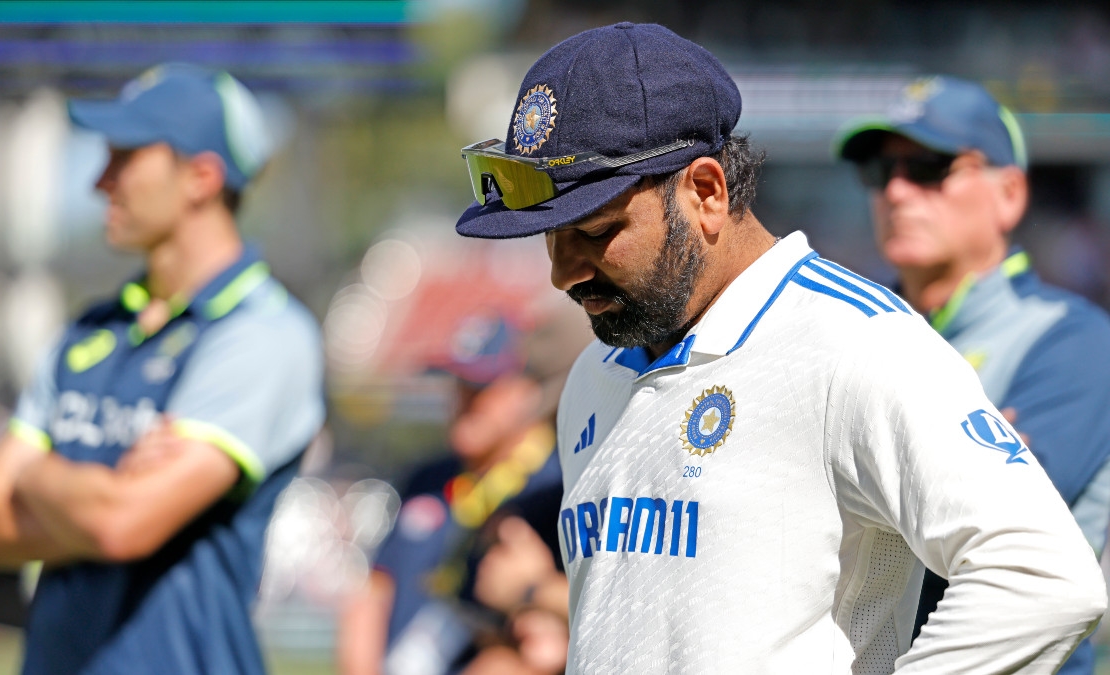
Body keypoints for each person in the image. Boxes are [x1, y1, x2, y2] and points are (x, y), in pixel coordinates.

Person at [453, 22, 1106, 673]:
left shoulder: (854, 341)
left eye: (595, 231)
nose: (564, 272)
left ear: (705, 193)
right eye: (551, 236)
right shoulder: (595, 372)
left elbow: (1040, 576)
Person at [0, 63, 324, 674]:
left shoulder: (265, 334)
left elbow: (120, 525)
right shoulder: (90, 330)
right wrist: (106, 488)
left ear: (202, 178)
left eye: (124, 157)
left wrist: (35, 473)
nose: (99, 182)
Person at [836, 75, 1110, 675]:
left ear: (1009, 194)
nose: (899, 192)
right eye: (881, 173)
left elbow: (980, 541)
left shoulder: (1076, 343)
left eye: (930, 167)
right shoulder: (843, 328)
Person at [336, 311, 567, 675]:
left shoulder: (558, 486)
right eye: (458, 384)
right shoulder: (429, 477)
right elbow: (375, 591)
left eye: (482, 387)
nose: (464, 401)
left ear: (527, 390)